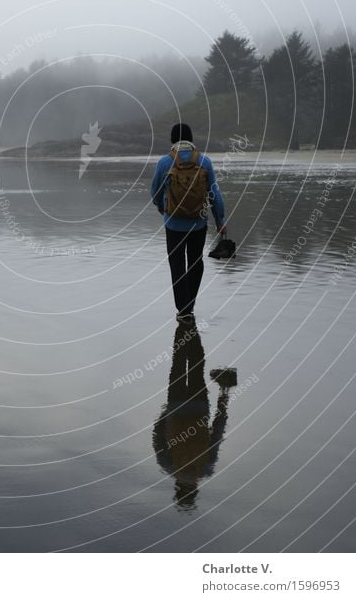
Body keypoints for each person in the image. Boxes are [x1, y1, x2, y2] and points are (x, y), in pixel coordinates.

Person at [150, 122, 226, 322]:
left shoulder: (165, 162)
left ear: (173, 140)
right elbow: (215, 194)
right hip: (198, 223)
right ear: (191, 139)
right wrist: (220, 220)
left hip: (173, 224)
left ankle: (183, 311)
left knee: (177, 265)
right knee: (195, 263)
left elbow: (155, 191)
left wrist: (161, 207)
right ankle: (189, 305)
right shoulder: (204, 161)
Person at [152, 325, 232, 509]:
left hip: (199, 407)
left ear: (195, 488)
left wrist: (223, 397)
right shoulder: (168, 464)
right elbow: (157, 436)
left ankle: (190, 327)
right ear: (176, 487)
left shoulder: (206, 467)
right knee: (179, 364)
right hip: (176, 406)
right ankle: (186, 326)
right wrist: (165, 413)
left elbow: (217, 432)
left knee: (196, 364)